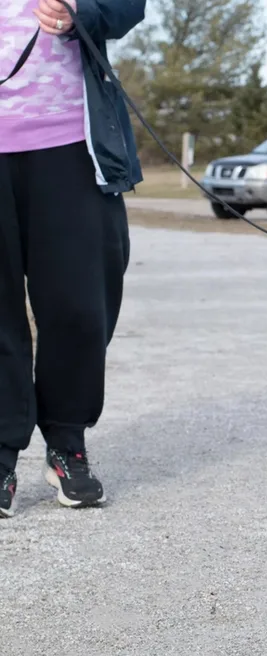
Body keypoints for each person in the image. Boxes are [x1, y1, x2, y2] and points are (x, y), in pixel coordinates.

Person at [0, 0, 146, 517]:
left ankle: (66, 441)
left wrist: (81, 9)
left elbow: (128, 5)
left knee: (82, 303)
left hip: (70, 143)